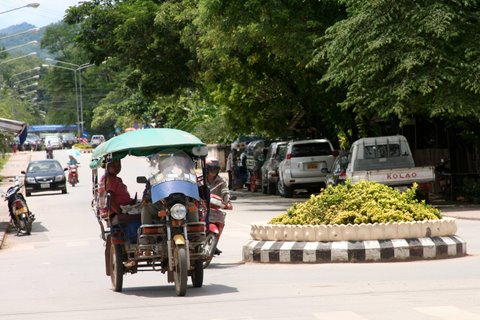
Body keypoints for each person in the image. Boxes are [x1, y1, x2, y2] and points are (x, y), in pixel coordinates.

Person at [206, 158, 232, 255]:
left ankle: (214, 242)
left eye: (215, 169)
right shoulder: (199, 180)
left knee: (221, 220)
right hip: (200, 207)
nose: (213, 172)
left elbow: (225, 192)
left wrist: (227, 202)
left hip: (214, 207)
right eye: (211, 169)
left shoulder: (221, 181)